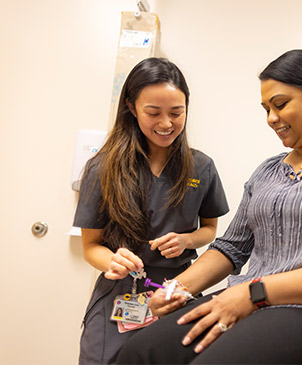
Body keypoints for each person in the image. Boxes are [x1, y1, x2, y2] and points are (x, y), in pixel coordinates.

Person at [116, 49, 302, 364]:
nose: (271, 119)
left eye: (280, 105)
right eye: (266, 109)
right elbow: (231, 247)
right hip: (255, 303)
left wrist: (254, 293)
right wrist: (178, 288)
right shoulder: (267, 171)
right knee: (138, 353)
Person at [74, 57, 229, 364]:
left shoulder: (201, 166)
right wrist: (113, 260)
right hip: (120, 293)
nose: (166, 124)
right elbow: (91, 246)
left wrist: (187, 241)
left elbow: (209, 230)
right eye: (153, 112)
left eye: (176, 112)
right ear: (131, 107)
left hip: (177, 290)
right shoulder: (102, 168)